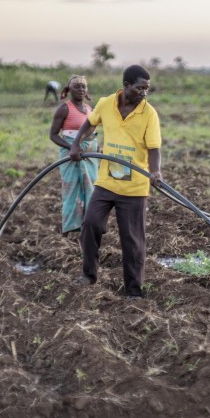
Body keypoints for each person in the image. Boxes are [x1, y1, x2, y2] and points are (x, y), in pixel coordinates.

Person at [69, 65, 163, 300]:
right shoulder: (106, 103)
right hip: (106, 182)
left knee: (132, 240)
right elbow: (90, 122)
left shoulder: (149, 113)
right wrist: (76, 143)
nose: (144, 93)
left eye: (147, 89)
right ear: (126, 86)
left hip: (134, 188)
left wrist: (156, 172)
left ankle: (133, 291)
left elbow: (154, 148)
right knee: (91, 224)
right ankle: (89, 275)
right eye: (140, 88)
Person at [49, 75, 98, 235]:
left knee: (91, 188)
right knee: (71, 189)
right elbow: (54, 135)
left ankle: (87, 225)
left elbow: (91, 134)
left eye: (84, 87)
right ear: (68, 90)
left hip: (89, 156)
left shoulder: (90, 110)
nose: (81, 90)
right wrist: (72, 147)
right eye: (77, 87)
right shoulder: (64, 108)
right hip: (71, 156)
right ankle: (70, 228)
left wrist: (97, 149)